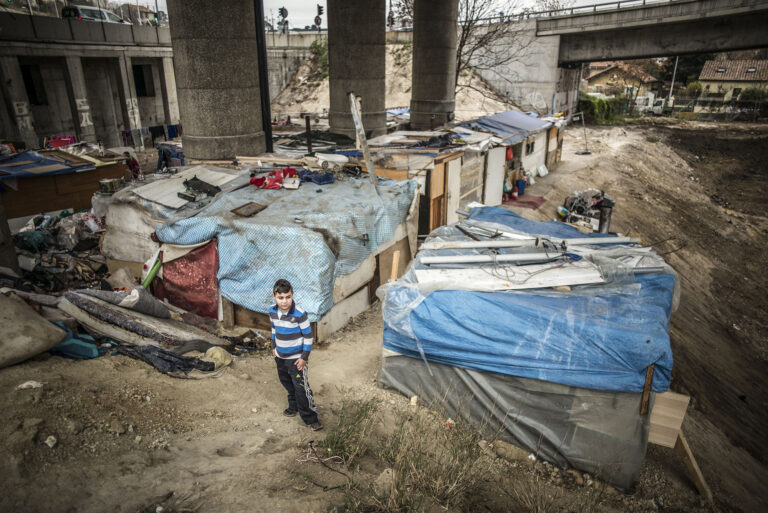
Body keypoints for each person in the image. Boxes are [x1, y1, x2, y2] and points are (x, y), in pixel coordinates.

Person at [269, 279, 322, 431]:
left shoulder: (299, 314)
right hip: (280, 357)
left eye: (288, 297)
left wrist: (304, 357)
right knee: (287, 382)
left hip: (296, 359)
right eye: (280, 298)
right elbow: (274, 329)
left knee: (301, 388)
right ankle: (294, 406)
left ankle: (311, 418)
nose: (284, 301)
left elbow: (308, 337)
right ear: (274, 296)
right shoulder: (272, 312)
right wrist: (273, 347)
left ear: (292, 294)